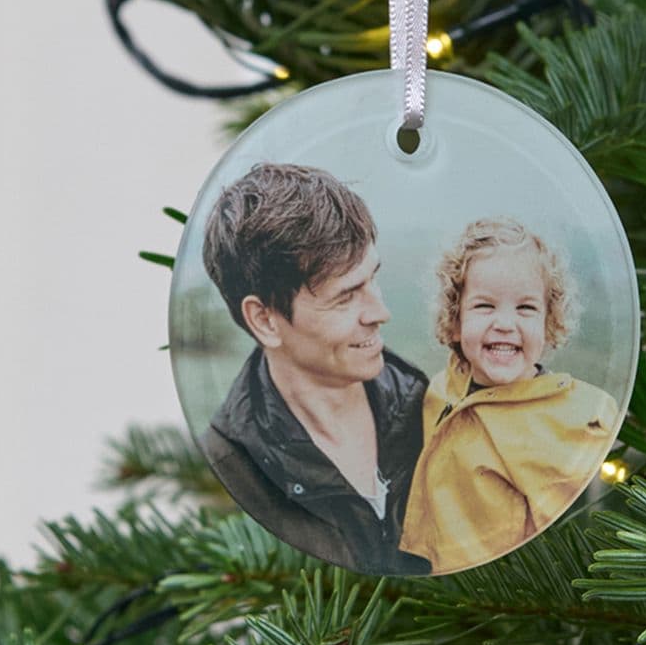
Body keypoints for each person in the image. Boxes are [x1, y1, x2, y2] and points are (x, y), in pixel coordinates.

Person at [199, 162, 430, 574]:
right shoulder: (230, 469)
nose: (381, 312)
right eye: (346, 297)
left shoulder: (432, 412)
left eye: (372, 278)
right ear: (265, 320)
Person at [399, 217, 621, 574]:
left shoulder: (577, 416)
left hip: (514, 592)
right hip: (427, 578)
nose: (505, 323)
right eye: (485, 306)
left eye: (526, 308)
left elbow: (578, 529)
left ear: (548, 323)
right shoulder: (439, 392)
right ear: (455, 320)